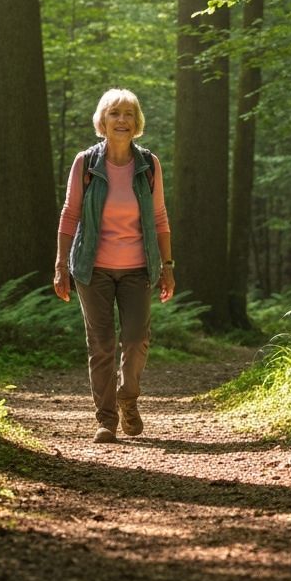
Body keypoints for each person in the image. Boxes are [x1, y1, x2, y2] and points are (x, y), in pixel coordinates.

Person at [53, 88, 175, 443]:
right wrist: (61, 264)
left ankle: (128, 397)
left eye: (128, 114)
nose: (121, 120)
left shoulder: (148, 165)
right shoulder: (85, 163)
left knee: (136, 339)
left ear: (136, 123)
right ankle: (106, 420)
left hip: (139, 267)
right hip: (93, 268)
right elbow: (70, 213)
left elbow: (160, 216)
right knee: (102, 343)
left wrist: (167, 264)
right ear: (102, 121)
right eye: (114, 113)